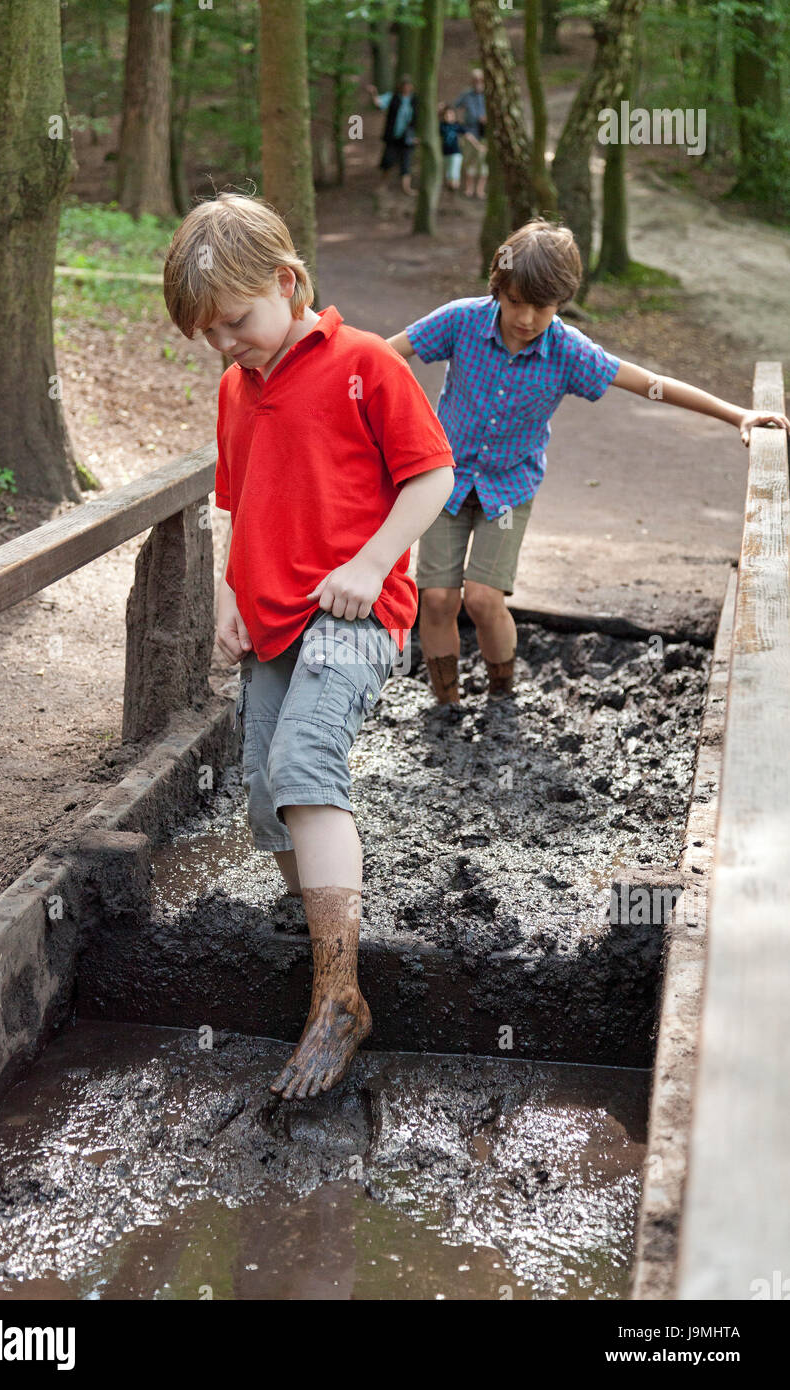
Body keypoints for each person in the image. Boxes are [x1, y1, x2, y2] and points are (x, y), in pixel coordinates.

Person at [163, 193, 455, 1100]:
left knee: (301, 763)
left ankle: (339, 995)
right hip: (275, 619)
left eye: (236, 321)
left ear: (287, 284)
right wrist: (227, 596)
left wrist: (372, 563)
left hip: (358, 614)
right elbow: (235, 501)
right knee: (261, 797)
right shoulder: (234, 388)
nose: (225, 344)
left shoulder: (365, 364)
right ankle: (325, 935)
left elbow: (433, 473)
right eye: (208, 333)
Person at [385, 218, 790, 709]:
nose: (527, 318)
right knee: (439, 599)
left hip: (507, 491)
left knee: (483, 600)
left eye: (543, 306)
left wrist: (737, 414)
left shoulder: (569, 352)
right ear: (498, 288)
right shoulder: (461, 321)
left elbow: (650, 383)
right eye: (516, 302)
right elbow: (385, 356)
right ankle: (445, 703)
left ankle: (502, 696)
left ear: (562, 302)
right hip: (440, 484)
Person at [366, 76, 419, 196]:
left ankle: (406, 188)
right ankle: (383, 185)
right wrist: (374, 93)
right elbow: (379, 104)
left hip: (408, 136)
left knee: (406, 161)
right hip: (393, 135)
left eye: (408, 85)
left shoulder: (415, 100)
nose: (406, 88)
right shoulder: (393, 97)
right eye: (404, 85)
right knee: (388, 160)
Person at [454, 68, 488, 199]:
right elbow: (455, 106)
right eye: (475, 80)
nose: (478, 82)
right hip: (470, 131)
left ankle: (480, 190)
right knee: (470, 160)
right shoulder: (466, 94)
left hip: (485, 132)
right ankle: (469, 188)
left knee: (483, 160)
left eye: (480, 80)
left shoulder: (488, 94)